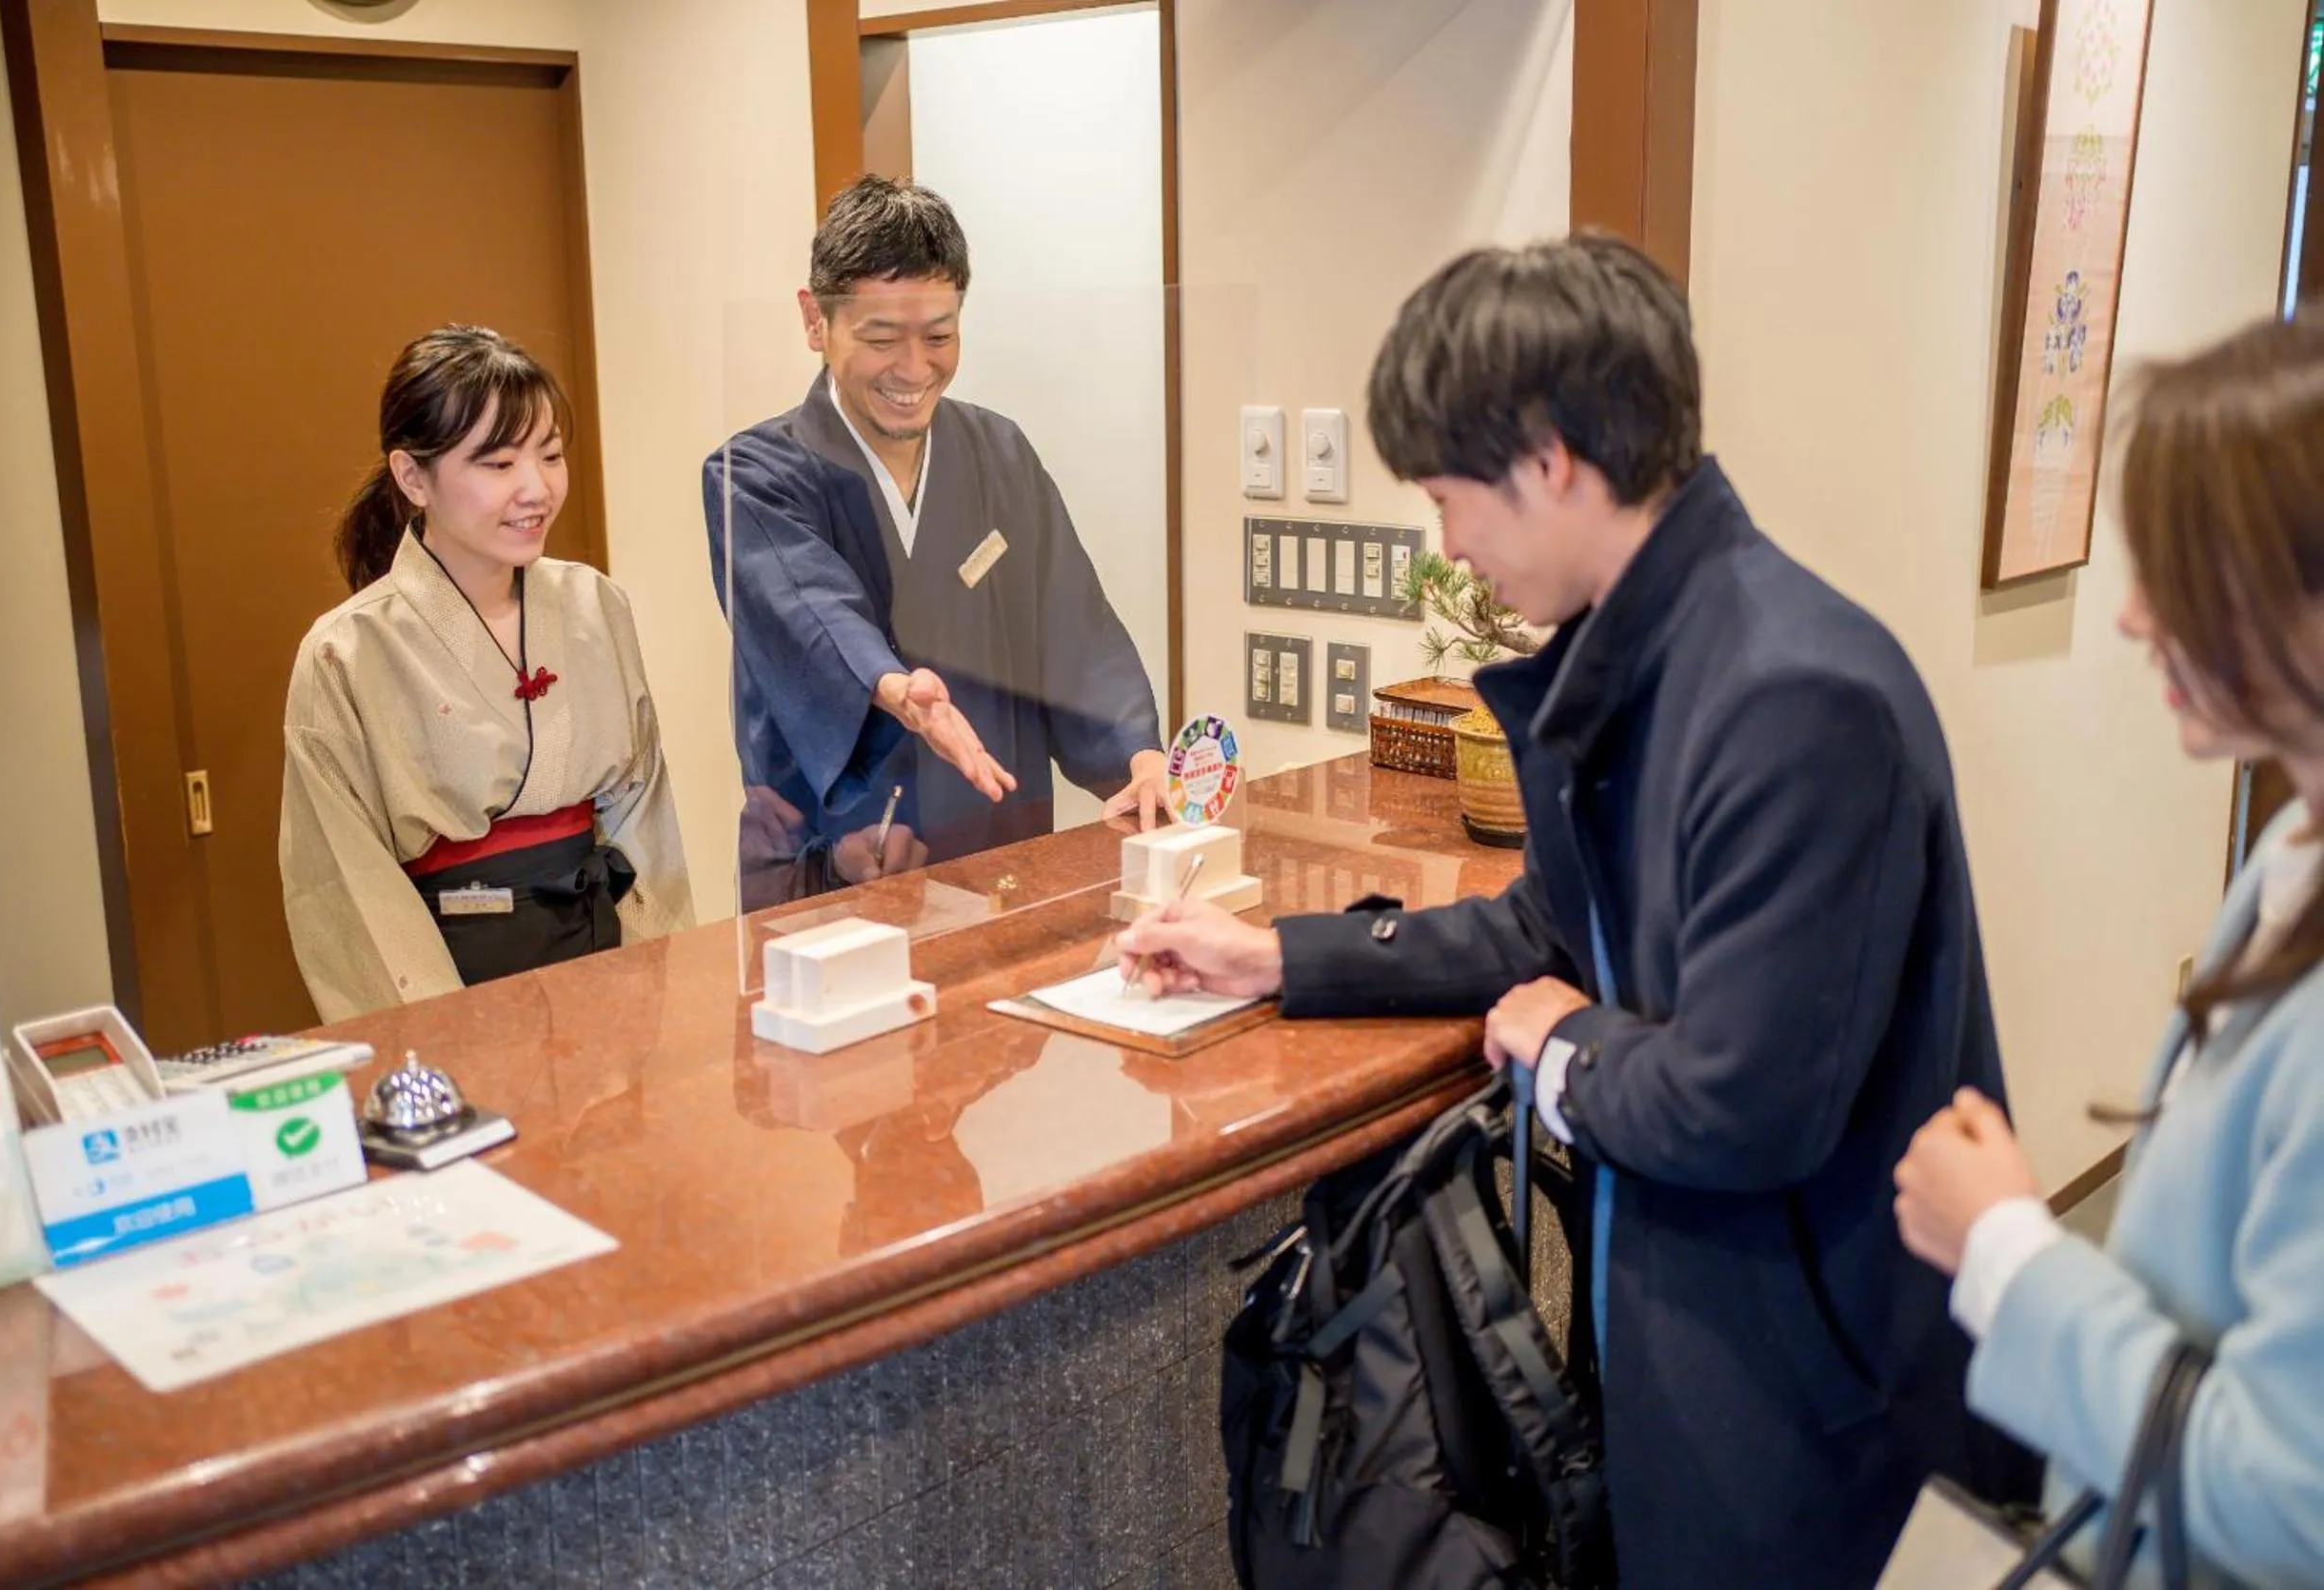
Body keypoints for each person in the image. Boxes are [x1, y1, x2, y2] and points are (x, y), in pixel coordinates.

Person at [1116, 234, 2032, 1588]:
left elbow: (1742, 1103)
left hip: (1806, 1379)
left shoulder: (1792, 697)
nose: (1449, 545)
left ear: (1550, 462)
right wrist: (1276, 955)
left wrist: (1563, 1051)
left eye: (1447, 497)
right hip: (1699, 1327)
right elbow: (1549, 929)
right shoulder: (1666, 653)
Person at [1896, 316, 2324, 1586]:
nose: (2135, 614)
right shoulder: (2293, 844)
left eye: (2192, 571)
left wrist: (2013, 1252)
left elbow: (2291, 1500)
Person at [705, 175, 1166, 905]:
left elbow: (1073, 628)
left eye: (940, 335)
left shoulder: (998, 453)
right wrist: (896, 689)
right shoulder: (755, 476)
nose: (914, 370)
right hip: (842, 856)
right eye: (882, 337)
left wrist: (1137, 756)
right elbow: (814, 614)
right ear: (814, 320)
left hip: (996, 844)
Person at [281, 326, 694, 1021]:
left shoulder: (597, 605)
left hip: (604, 958)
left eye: (552, 456)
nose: (537, 489)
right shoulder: (344, 653)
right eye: (499, 464)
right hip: (453, 975)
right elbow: (346, 884)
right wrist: (439, 1035)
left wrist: (655, 975)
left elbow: (642, 815)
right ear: (413, 476)